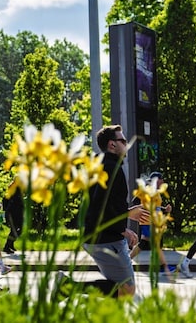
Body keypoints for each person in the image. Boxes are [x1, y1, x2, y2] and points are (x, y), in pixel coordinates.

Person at [60, 125, 148, 299]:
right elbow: (102, 206)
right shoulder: (111, 167)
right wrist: (126, 220)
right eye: (122, 140)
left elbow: (104, 204)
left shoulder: (99, 165)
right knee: (127, 290)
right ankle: (67, 286)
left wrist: (124, 225)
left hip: (99, 236)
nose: (126, 144)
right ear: (112, 145)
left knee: (121, 290)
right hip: (105, 239)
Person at [129, 171, 174, 276]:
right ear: (157, 180)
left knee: (144, 244)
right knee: (156, 243)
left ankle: (127, 260)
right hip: (147, 221)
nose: (163, 181)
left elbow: (155, 206)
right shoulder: (147, 190)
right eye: (161, 179)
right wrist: (145, 210)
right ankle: (163, 267)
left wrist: (164, 209)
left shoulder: (156, 191)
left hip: (153, 221)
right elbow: (135, 202)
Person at [1, 177, 23, 254]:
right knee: (16, 229)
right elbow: (15, 200)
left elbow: (5, 200)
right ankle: (7, 246)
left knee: (16, 229)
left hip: (15, 212)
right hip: (14, 213)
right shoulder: (15, 189)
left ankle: (10, 244)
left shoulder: (15, 188)